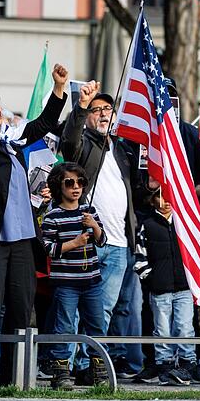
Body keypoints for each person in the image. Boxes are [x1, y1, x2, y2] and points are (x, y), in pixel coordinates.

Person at [0, 64, 68, 393]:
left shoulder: (12, 141)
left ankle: (12, 376)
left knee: (20, 307)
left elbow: (44, 124)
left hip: (22, 240)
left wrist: (58, 87)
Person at [60, 82, 138, 382]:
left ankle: (88, 365)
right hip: (86, 241)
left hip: (118, 244)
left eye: (108, 109)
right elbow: (69, 141)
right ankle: (64, 366)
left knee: (102, 311)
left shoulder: (123, 150)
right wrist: (81, 107)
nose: (104, 114)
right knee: (75, 309)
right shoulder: (84, 144)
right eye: (97, 110)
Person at [134, 187, 200, 386]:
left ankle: (188, 363)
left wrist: (193, 278)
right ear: (153, 200)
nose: (166, 201)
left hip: (184, 287)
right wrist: (151, 279)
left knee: (185, 327)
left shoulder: (184, 223)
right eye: (161, 196)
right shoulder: (148, 225)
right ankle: (164, 364)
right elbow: (140, 257)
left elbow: (195, 252)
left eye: (170, 196)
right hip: (160, 290)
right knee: (162, 329)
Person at [41, 162, 106, 390]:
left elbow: (102, 240)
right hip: (66, 283)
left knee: (97, 325)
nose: (76, 187)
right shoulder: (53, 216)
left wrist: (94, 226)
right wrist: (75, 243)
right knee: (64, 326)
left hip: (92, 281)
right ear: (59, 186)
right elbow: (48, 248)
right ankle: (60, 372)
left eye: (80, 182)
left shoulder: (90, 211)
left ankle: (99, 370)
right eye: (69, 183)